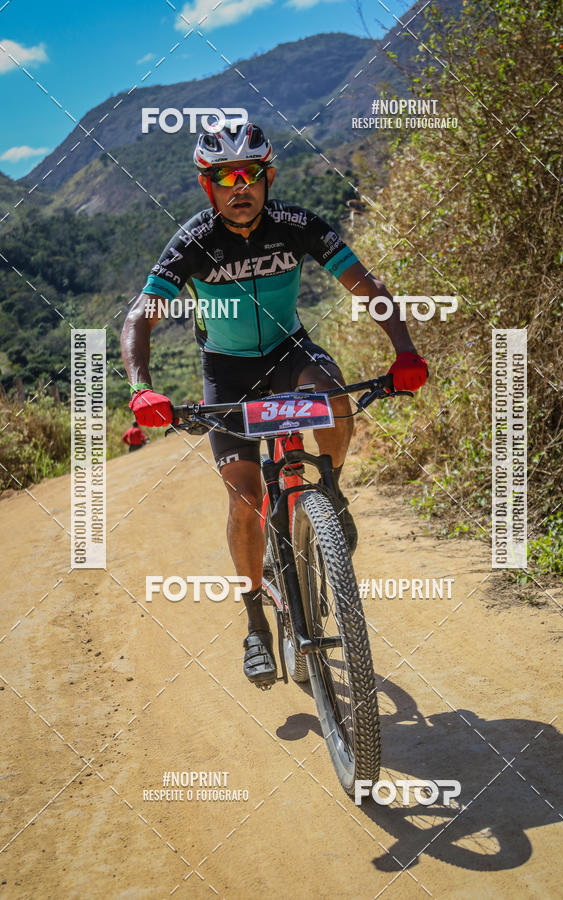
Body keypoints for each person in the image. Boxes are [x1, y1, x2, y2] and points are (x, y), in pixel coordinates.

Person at [120, 122, 427, 687]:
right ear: (207, 185)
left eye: (252, 174)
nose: (241, 187)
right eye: (225, 177)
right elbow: (139, 316)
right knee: (245, 499)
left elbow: (366, 286)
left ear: (269, 178)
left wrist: (404, 351)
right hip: (227, 373)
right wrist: (142, 387)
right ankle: (257, 625)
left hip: (289, 351)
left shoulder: (297, 226)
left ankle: (329, 492)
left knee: (335, 397)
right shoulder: (192, 242)